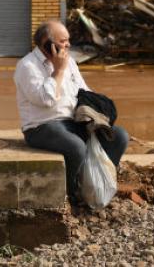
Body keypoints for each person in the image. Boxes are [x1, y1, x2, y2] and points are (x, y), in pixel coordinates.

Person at [14, 19, 129, 204]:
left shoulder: (70, 62)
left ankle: (98, 183)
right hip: (41, 127)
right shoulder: (27, 66)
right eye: (62, 41)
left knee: (120, 136)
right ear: (47, 43)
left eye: (68, 40)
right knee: (76, 147)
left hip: (74, 122)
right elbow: (45, 100)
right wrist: (58, 71)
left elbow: (84, 91)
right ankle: (72, 193)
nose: (67, 44)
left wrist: (98, 111)